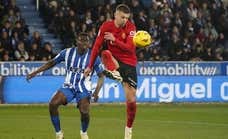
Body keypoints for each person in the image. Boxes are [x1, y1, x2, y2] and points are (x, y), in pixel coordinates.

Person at [26, 32, 104, 139]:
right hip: (68, 86)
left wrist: (96, 92)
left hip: (84, 88)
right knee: (53, 104)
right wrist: (35, 72)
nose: (84, 43)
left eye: (87, 41)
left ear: (89, 43)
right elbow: (51, 63)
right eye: (82, 40)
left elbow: (101, 76)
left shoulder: (94, 57)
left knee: (84, 111)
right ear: (77, 41)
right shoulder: (67, 53)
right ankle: (59, 134)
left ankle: (84, 132)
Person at [84, 4, 137, 139]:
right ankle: (115, 72)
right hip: (115, 60)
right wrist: (90, 66)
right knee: (105, 52)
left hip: (129, 63)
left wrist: (115, 40)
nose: (125, 20)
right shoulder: (106, 26)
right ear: (116, 15)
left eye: (127, 18)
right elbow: (96, 46)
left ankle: (128, 130)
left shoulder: (131, 28)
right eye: (123, 17)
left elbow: (130, 49)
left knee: (131, 100)